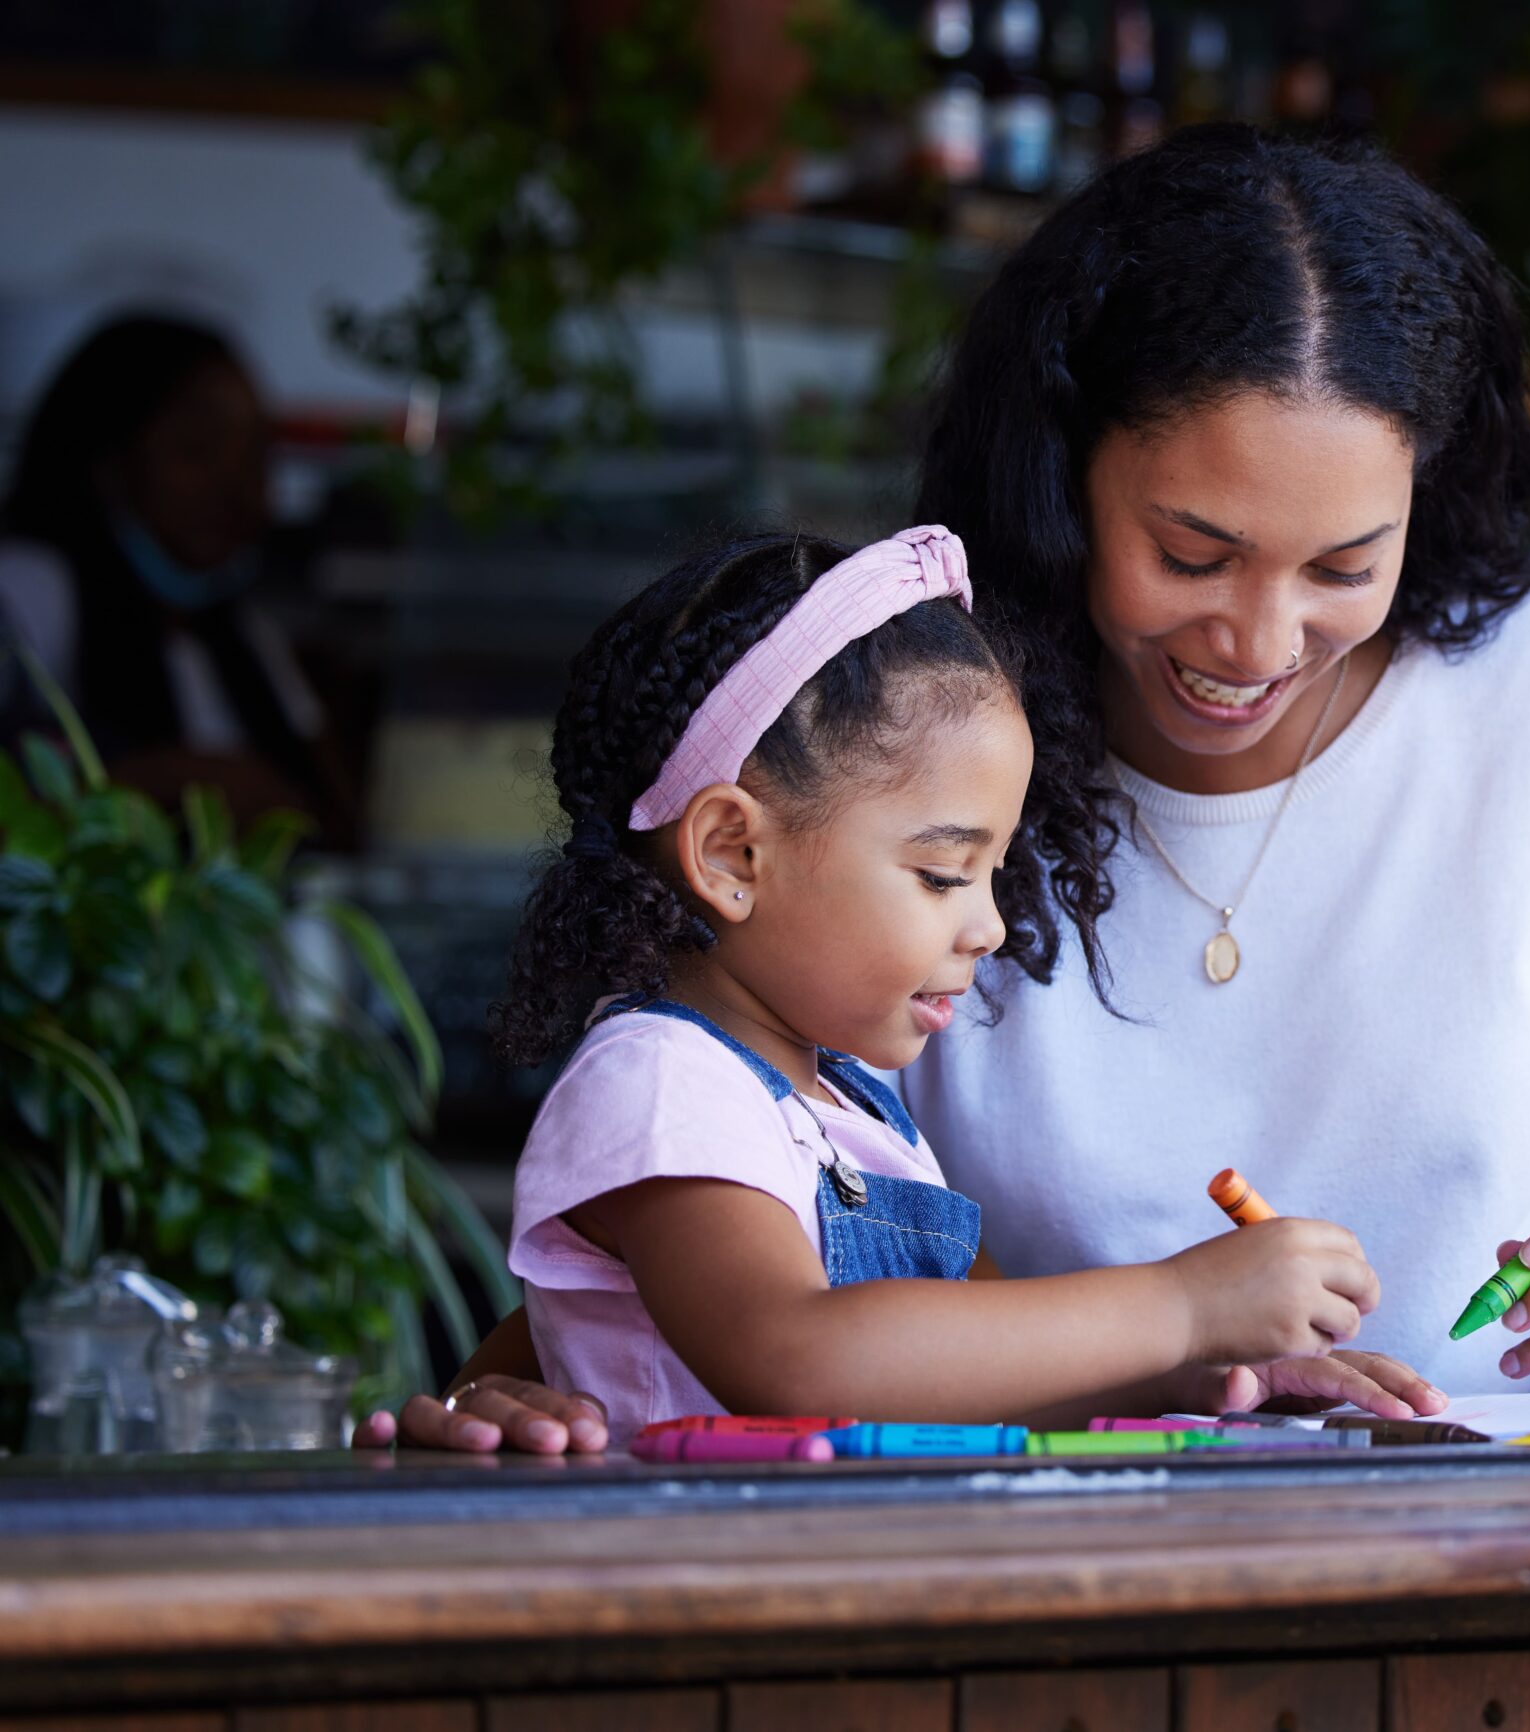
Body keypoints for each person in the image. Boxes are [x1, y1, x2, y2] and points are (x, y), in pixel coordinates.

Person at [373, 125, 1530, 1454]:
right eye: (1190, 553)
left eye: (1342, 568)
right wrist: (525, 1390)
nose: (1256, 641)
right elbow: (737, 1239)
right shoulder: (937, 770)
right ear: (1062, 475)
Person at [474, 523, 1434, 1441]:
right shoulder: (661, 1084)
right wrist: (1184, 1304)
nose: (990, 925)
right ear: (732, 854)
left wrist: (1214, 1376)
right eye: (942, 875)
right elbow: (794, 1357)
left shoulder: (856, 1111)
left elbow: (974, 1377)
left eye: (993, 874)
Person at [0, 313, 348, 833]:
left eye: (255, 458)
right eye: (196, 450)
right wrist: (164, 780)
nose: (236, 490)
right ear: (111, 461)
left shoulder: (245, 635)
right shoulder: (33, 587)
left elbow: (334, 814)